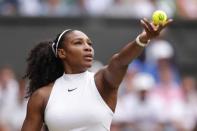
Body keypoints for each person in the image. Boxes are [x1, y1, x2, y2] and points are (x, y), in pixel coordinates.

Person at [21, 18, 172, 131]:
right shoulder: (41, 96)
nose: (87, 48)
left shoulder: (101, 82)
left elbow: (120, 62)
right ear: (62, 53)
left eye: (89, 44)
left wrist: (143, 38)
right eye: (78, 43)